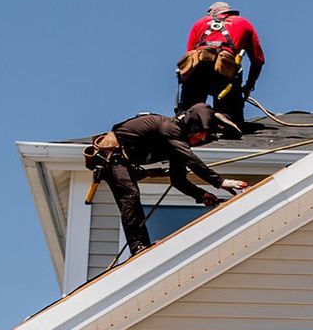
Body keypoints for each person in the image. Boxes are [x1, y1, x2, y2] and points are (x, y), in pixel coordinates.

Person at [85, 106, 247, 259]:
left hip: (122, 160)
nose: (202, 138)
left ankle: (141, 247)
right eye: (202, 133)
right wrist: (221, 182)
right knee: (130, 195)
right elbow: (191, 160)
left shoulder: (175, 143)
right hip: (111, 157)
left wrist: (201, 194)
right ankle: (138, 247)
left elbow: (178, 181)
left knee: (131, 195)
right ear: (193, 126)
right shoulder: (170, 128)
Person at [178, 3, 263, 130]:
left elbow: (189, 54)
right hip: (224, 71)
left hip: (197, 69)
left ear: (212, 14)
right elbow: (258, 60)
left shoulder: (200, 23)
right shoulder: (243, 23)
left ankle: (189, 119)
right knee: (233, 114)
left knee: (190, 112)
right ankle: (225, 116)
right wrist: (249, 85)